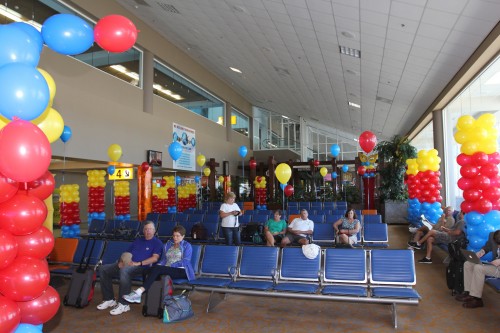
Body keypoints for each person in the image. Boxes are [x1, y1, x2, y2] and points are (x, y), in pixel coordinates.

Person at [97, 221, 163, 315]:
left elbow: (155, 258)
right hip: (128, 263)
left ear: (154, 230)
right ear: (143, 230)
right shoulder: (138, 240)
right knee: (103, 269)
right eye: (146, 229)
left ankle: (124, 304)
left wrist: (138, 263)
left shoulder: (157, 243)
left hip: (143, 267)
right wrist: (121, 262)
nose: (148, 231)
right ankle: (109, 299)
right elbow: (126, 253)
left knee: (125, 271)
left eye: (150, 229)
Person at [123, 225, 195, 304]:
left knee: (157, 269)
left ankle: (139, 292)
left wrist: (170, 265)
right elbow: (164, 259)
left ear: (183, 236)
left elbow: (185, 261)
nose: (175, 238)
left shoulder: (187, 246)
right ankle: (141, 295)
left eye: (178, 236)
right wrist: (160, 264)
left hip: (182, 270)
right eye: (174, 235)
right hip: (168, 268)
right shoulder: (168, 245)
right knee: (146, 270)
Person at [455, 230, 500, 308]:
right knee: (468, 264)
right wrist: (482, 251)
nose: (498, 247)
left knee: (479, 268)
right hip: (494, 265)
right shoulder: (493, 235)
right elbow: (488, 246)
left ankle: (477, 299)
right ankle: (469, 292)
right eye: (498, 244)